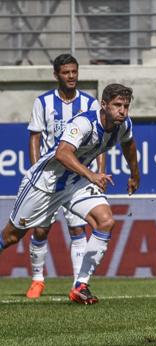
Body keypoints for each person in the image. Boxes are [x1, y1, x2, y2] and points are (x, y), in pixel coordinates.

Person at [0, 83, 140, 305]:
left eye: (125, 106)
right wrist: (92, 175)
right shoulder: (84, 122)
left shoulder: (124, 125)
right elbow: (62, 153)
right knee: (11, 236)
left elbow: (129, 145)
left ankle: (80, 286)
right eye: (117, 105)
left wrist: (135, 174)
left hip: (75, 183)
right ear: (104, 105)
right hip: (44, 183)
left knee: (105, 221)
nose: (122, 111)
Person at [25, 53, 105, 299]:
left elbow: (100, 141)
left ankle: (77, 285)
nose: (71, 76)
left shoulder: (90, 103)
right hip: (49, 177)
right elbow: (35, 137)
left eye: (74, 72)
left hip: (77, 178)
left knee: (78, 230)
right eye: (66, 72)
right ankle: (38, 280)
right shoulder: (43, 102)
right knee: (40, 230)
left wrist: (98, 172)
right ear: (56, 75)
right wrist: (36, 169)